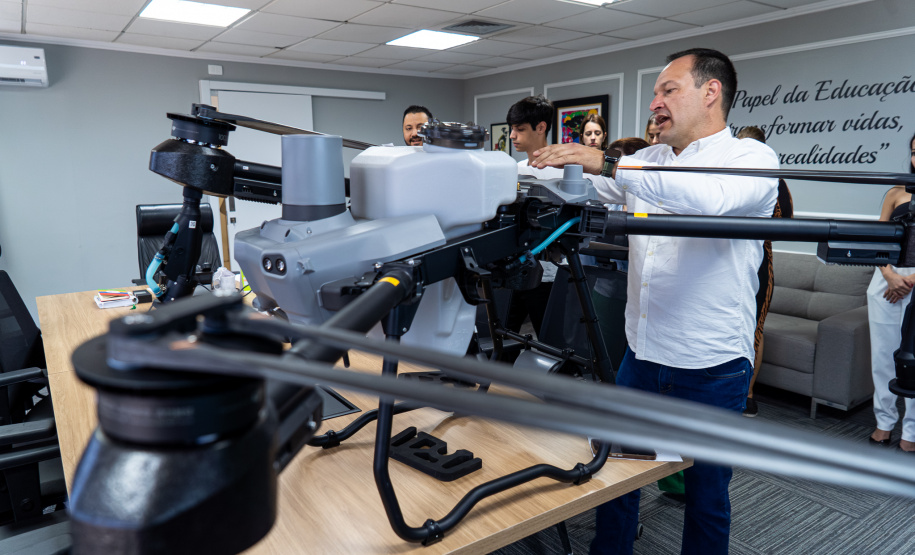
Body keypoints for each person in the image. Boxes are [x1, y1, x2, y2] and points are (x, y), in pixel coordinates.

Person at [530, 48, 778, 555]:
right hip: (641, 357)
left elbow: (706, 201)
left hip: (711, 365)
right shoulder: (648, 160)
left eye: (669, 90)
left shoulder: (751, 158)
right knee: (616, 477)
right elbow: (583, 185)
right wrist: (524, 168)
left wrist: (611, 162)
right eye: (656, 92)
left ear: (711, 92)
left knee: (707, 496)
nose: (655, 101)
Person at [734, 125, 794, 418]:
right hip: (726, 262)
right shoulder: (725, 175)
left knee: (754, 328)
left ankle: (748, 394)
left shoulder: (775, 181)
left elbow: (787, 225)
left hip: (759, 264)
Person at [867, 131, 915, 453]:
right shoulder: (896, 193)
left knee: (914, 360)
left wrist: (910, 280)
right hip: (885, 280)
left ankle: (911, 431)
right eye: (914, 151)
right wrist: (889, 275)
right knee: (883, 356)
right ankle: (884, 422)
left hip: (912, 283)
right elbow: (877, 240)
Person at [508, 94, 563, 179]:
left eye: (520, 129)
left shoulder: (561, 171)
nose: (512, 136)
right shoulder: (517, 168)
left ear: (541, 128)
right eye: (512, 129)